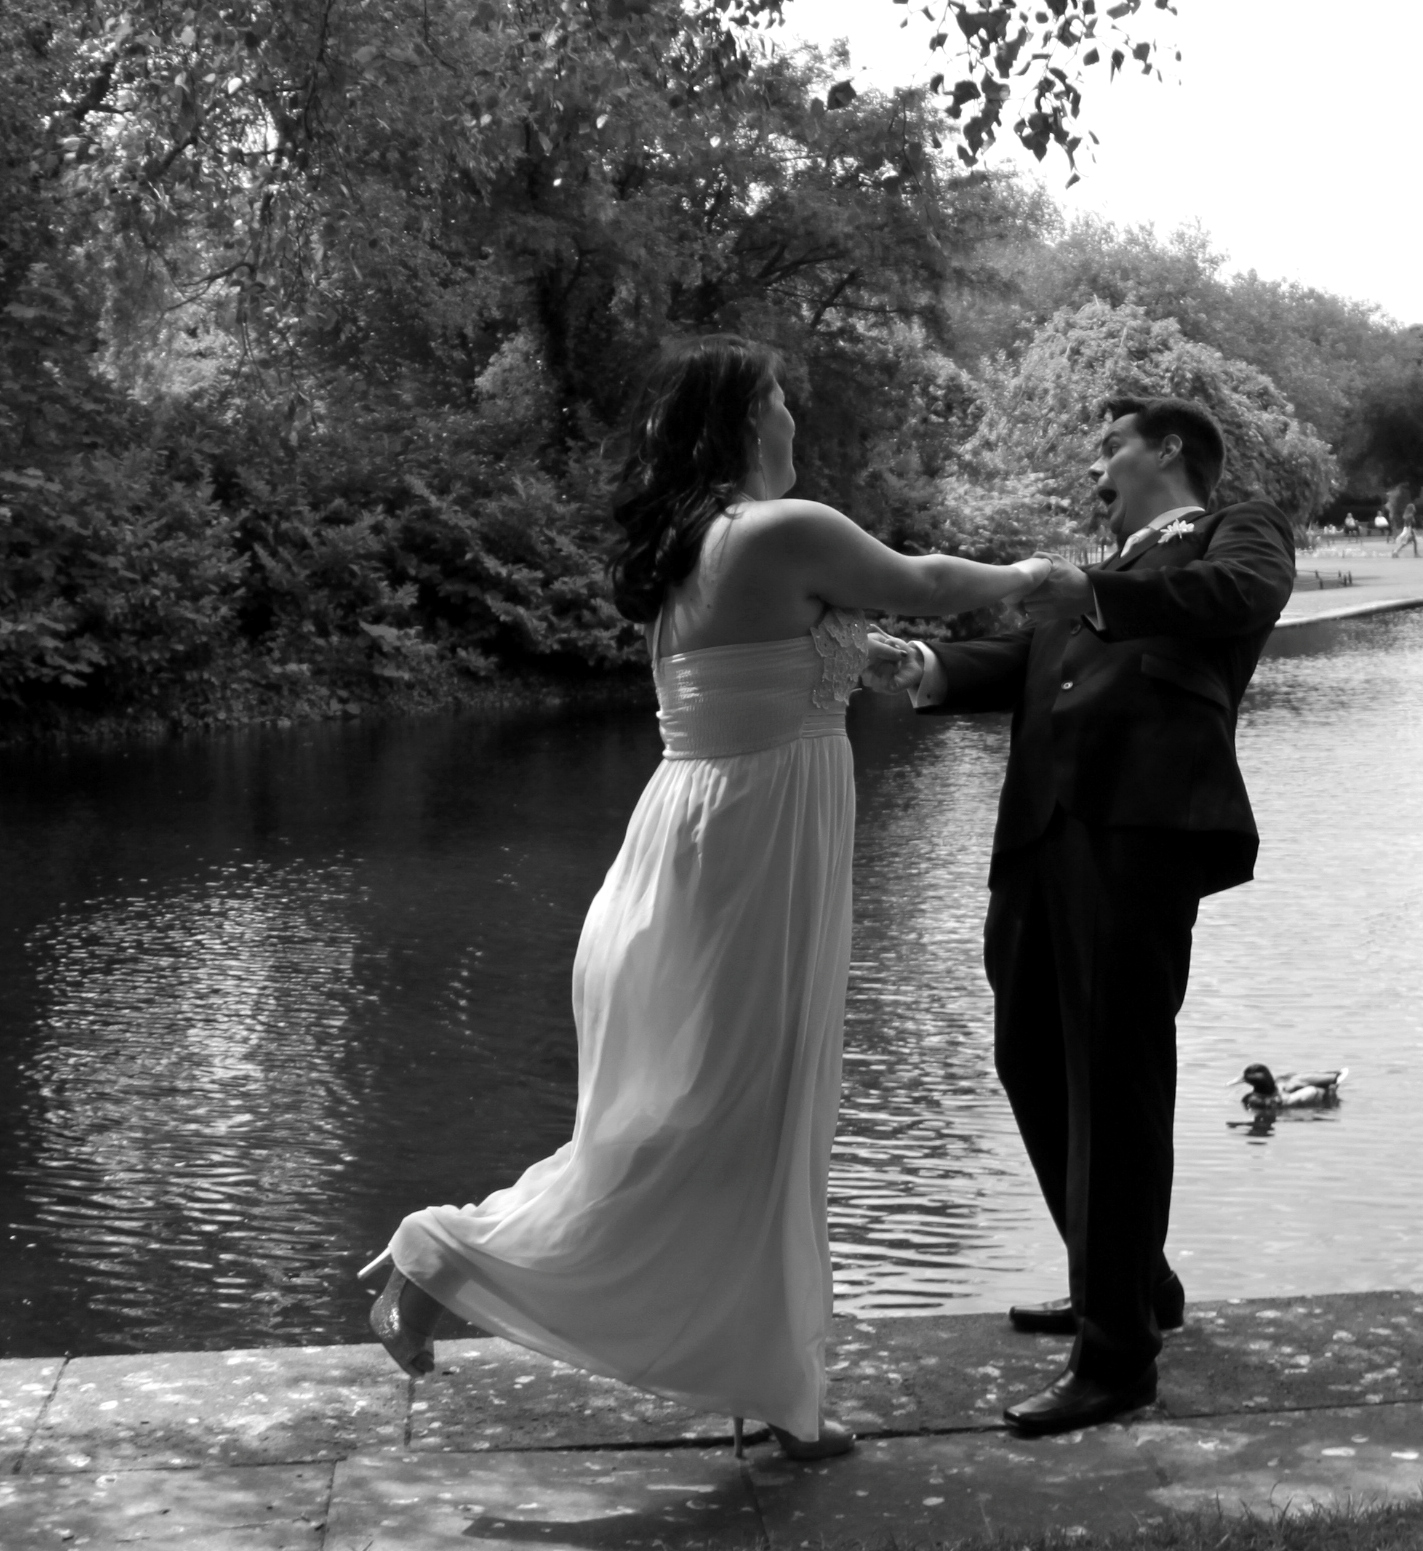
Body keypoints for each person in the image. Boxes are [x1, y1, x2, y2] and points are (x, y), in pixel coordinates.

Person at [358, 335, 1046, 1460]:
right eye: (778, 400)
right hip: (749, 852)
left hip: (707, 841)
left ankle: (769, 1382)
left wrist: (862, 657)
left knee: (727, 1120)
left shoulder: (692, 551)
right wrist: (1033, 575)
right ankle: (447, 1256)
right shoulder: (778, 527)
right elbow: (924, 581)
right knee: (738, 1120)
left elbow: (772, 664)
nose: (792, 420)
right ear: (742, 421)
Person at [862, 396, 1294, 1439]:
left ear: (1170, 450)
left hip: (1137, 828)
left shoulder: (1235, 532)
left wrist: (1093, 589)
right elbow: (1026, 666)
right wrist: (926, 665)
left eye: (1112, 448)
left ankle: (1117, 1358)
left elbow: (1236, 596)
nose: (1096, 470)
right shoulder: (1092, 575)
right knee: (1029, 1060)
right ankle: (1132, 1283)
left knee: (1116, 1077)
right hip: (1037, 833)